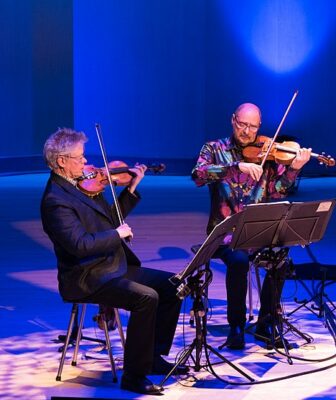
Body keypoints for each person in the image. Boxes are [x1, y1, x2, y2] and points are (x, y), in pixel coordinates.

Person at [40, 128, 186, 396]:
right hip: (86, 276)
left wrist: (130, 189)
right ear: (61, 161)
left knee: (173, 285)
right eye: (80, 158)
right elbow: (79, 245)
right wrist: (116, 234)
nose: (86, 163)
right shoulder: (55, 200)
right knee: (147, 298)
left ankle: (153, 357)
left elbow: (107, 218)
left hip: (109, 265)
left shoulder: (78, 186)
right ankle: (134, 375)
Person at [192, 102, 312, 349]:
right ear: (232, 120)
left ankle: (266, 323)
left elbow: (277, 192)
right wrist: (235, 167)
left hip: (257, 232)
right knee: (238, 261)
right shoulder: (215, 148)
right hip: (223, 234)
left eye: (253, 127)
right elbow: (198, 175)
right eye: (242, 124)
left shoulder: (267, 154)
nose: (247, 132)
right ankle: (235, 325)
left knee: (281, 257)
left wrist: (293, 170)